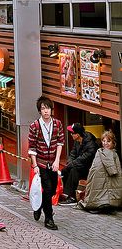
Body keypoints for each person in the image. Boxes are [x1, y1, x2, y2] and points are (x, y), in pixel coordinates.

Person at [28, 95, 64, 230]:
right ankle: (49, 219)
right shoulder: (35, 126)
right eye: (43, 109)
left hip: (53, 162)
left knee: (53, 189)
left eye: (48, 108)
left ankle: (39, 206)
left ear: (51, 110)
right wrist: (35, 165)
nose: (46, 111)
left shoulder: (58, 124)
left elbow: (60, 142)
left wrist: (57, 161)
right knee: (47, 188)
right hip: (41, 163)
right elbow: (32, 147)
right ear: (40, 111)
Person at [79, 130, 122, 213]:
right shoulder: (99, 152)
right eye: (103, 141)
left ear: (113, 142)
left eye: (108, 141)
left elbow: (113, 170)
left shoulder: (114, 154)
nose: (105, 143)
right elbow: (95, 168)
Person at [60, 123, 98, 205]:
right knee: (65, 170)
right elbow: (72, 154)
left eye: (72, 133)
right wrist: (70, 162)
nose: (71, 134)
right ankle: (66, 193)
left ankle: (72, 197)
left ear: (78, 134)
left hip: (89, 167)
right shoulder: (77, 141)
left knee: (74, 170)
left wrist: (72, 164)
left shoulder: (90, 144)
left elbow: (84, 158)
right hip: (79, 164)